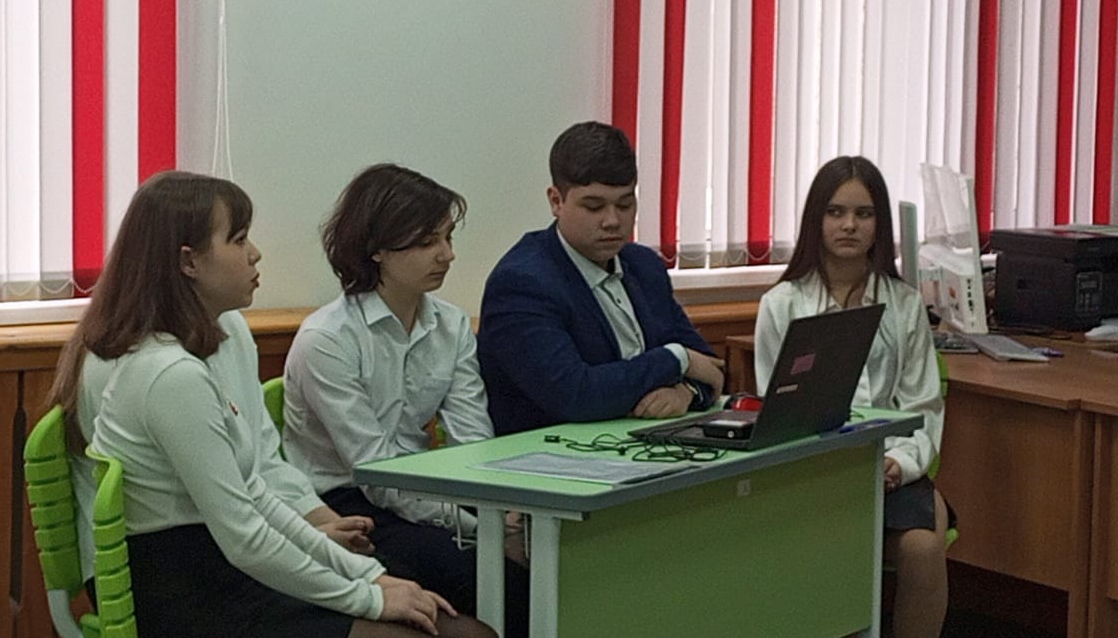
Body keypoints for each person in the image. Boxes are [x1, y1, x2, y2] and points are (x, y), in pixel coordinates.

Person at [47, 170, 494, 638]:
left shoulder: (204, 344)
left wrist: (369, 576)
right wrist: (369, 595)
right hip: (190, 582)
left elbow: (255, 485)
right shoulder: (167, 373)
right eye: (239, 239)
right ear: (188, 262)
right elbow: (242, 533)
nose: (255, 253)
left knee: (452, 621)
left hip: (225, 558)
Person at [284, 164, 529, 638]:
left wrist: (497, 512)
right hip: (343, 505)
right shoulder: (328, 340)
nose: (447, 255)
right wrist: (480, 528)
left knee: (537, 561)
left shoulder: (451, 325)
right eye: (426, 242)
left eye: (448, 238)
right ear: (376, 249)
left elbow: (473, 441)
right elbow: (376, 473)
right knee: (487, 574)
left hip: (424, 490)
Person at [753, 156, 951, 638]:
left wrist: (899, 464)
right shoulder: (782, 305)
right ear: (815, 219)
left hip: (889, 466)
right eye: (836, 212)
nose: (849, 225)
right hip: (812, 472)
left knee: (923, 548)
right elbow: (776, 412)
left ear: (879, 224)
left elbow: (923, 406)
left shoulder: (903, 304)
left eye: (863, 214)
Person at [478, 120, 724, 435]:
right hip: (553, 452)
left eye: (625, 204)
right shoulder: (522, 283)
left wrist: (685, 392)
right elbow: (575, 394)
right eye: (594, 207)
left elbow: (710, 367)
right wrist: (675, 359)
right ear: (556, 201)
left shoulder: (644, 266)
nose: (612, 221)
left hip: (647, 443)